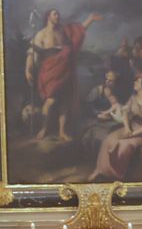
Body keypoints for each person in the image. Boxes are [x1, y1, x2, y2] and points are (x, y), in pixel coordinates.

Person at [26, 9, 102, 141]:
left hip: (65, 70)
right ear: (48, 17)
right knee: (50, 100)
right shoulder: (41, 34)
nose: (58, 16)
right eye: (55, 14)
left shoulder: (63, 31)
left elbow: (78, 31)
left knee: (65, 101)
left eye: (58, 14)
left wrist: (90, 19)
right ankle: (44, 129)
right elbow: (32, 53)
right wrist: (28, 69)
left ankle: (62, 131)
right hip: (50, 71)